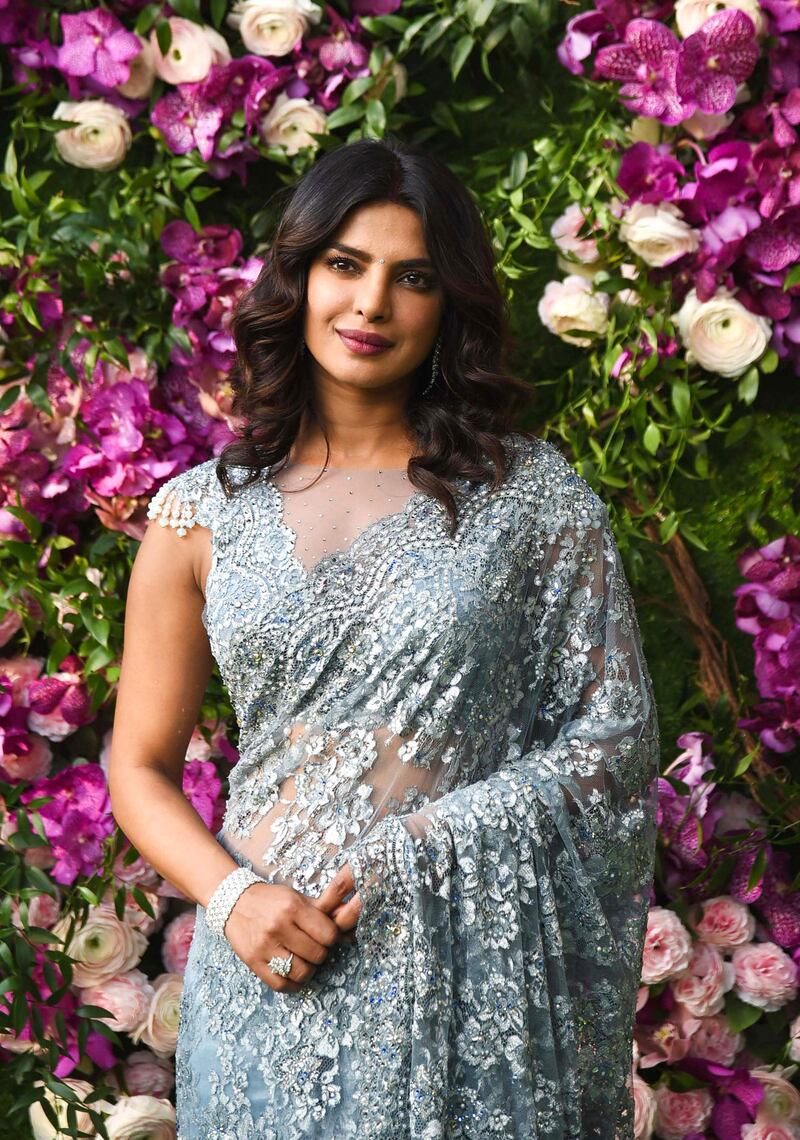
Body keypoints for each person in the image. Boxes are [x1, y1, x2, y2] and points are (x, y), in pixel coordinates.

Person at [108, 134, 661, 1139]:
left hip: (465, 984)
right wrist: (231, 898)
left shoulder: (531, 503)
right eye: (345, 266)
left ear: (448, 303)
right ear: (300, 276)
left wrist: (428, 845)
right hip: (268, 973)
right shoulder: (200, 514)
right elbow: (138, 764)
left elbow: (609, 743)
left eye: (410, 278)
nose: (369, 306)